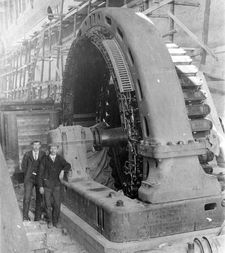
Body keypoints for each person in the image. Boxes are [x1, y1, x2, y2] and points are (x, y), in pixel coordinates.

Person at [38, 143, 71, 228]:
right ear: (49, 150)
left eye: (55, 149)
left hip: (56, 185)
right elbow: (40, 174)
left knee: (57, 204)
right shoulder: (44, 159)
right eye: (51, 149)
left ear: (57, 150)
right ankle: (50, 222)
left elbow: (68, 165)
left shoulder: (60, 159)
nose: (53, 150)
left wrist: (63, 170)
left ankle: (56, 222)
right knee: (48, 204)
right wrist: (41, 186)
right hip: (47, 186)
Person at [21, 140, 45, 221]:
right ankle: (25, 217)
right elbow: (23, 166)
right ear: (32, 146)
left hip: (39, 179)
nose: (36, 147)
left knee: (39, 198)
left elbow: (45, 166)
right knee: (27, 197)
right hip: (29, 179)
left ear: (40, 146)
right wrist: (28, 174)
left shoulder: (43, 154)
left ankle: (37, 218)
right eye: (34, 145)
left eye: (38, 145)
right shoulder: (27, 154)